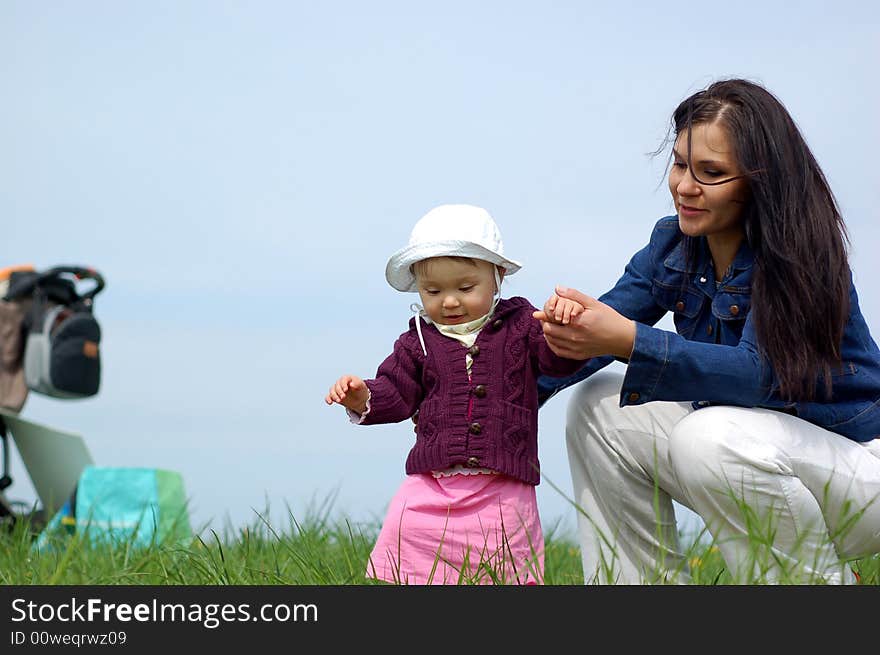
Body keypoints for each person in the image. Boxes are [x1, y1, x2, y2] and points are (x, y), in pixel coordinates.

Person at [533, 78, 880, 585]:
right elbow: (593, 338)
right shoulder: (673, 245)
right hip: (755, 458)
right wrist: (462, 396)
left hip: (857, 470)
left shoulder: (803, 256)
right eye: (679, 164)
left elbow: (758, 376)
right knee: (601, 403)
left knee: (710, 433)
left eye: (711, 173)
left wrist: (628, 340)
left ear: (760, 182)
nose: (684, 186)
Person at [325, 204, 586, 584]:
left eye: (465, 288)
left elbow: (556, 361)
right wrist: (362, 395)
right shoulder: (417, 340)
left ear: (497, 277)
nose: (449, 301)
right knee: (410, 549)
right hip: (431, 485)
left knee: (503, 568)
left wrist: (564, 323)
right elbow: (397, 391)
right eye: (433, 290)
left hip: (503, 486)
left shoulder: (520, 325)